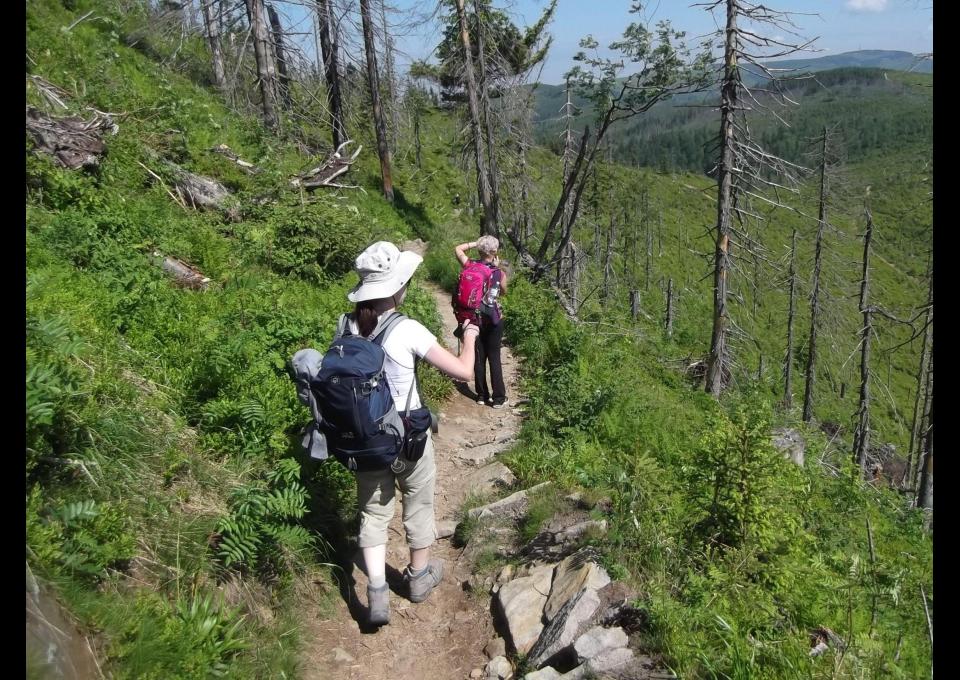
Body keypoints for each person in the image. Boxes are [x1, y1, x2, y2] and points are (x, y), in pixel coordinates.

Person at [343, 241, 479, 626]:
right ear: (396, 288)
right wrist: (468, 335)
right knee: (417, 503)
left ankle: (377, 594)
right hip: (407, 439)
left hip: (364, 440)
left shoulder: (347, 326)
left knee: (373, 511)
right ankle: (418, 579)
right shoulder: (407, 329)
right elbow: (464, 371)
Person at [454, 235, 508, 408]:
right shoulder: (498, 273)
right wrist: (496, 270)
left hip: (473, 318)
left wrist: (475, 243)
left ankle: (481, 396)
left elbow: (458, 249)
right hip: (492, 318)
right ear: (494, 252)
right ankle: (498, 399)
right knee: (494, 357)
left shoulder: (469, 265)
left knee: (478, 356)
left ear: (479, 249)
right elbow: (503, 292)